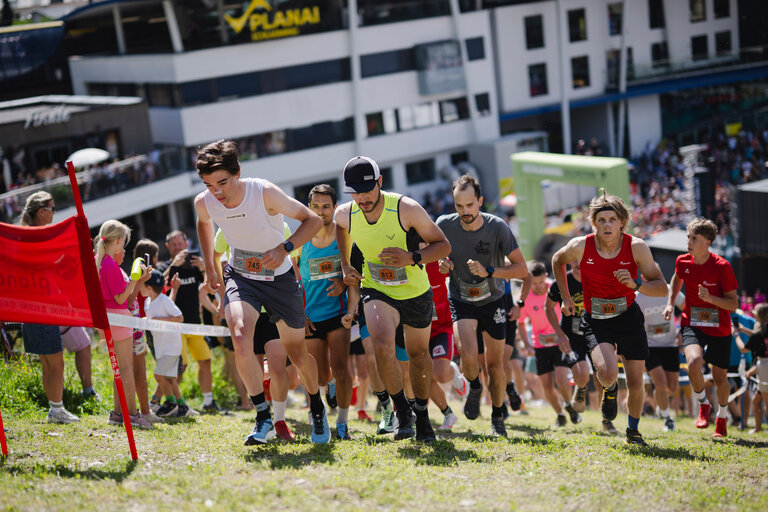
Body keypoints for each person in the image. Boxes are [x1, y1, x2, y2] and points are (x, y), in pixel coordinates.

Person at [194, 140, 328, 444]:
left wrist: (285, 248)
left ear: (238, 172)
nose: (217, 192)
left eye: (223, 182)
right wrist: (210, 268)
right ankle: (262, 416)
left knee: (297, 352)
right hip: (241, 277)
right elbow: (203, 224)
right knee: (240, 335)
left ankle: (316, 406)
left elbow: (313, 220)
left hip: (280, 280)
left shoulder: (263, 191)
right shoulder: (204, 201)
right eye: (208, 184)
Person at [336, 156, 451, 442]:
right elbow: (339, 227)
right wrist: (345, 264)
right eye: (355, 192)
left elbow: (443, 245)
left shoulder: (406, 209)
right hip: (377, 290)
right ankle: (403, 414)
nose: (362, 198)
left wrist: (411, 257)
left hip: (414, 292)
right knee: (382, 345)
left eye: (367, 190)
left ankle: (422, 415)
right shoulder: (346, 214)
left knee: (418, 356)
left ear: (380, 183)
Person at [552, 190, 668, 446]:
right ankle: (611, 389)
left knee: (637, 381)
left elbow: (662, 288)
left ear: (622, 222)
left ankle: (633, 432)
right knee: (606, 373)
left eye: (612, 219)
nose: (607, 225)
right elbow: (557, 260)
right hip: (595, 319)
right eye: (601, 220)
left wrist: (637, 283)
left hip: (628, 317)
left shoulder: (636, 247)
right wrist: (566, 298)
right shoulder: (581, 245)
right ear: (594, 223)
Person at [436, 175, 528, 437]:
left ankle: (498, 417)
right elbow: (435, 255)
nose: (465, 212)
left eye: (469, 205)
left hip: (493, 300)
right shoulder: (444, 225)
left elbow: (522, 269)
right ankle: (474, 387)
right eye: (459, 206)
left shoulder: (497, 227)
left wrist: (490, 271)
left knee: (496, 366)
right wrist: (443, 265)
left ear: (480, 201)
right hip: (462, 299)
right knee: (467, 356)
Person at [663, 218, 738, 438]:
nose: (689, 241)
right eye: (688, 237)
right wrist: (670, 303)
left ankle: (722, 418)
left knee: (720, 378)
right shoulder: (682, 261)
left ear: (707, 242)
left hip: (719, 327)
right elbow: (677, 278)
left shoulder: (722, 267)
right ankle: (703, 405)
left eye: (694, 238)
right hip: (692, 321)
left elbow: (733, 304)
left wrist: (711, 298)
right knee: (694, 362)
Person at [297, 184, 355, 440]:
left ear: (334, 207)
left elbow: (355, 273)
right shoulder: (299, 239)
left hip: (338, 312)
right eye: (316, 206)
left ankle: (342, 422)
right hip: (310, 315)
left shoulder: (344, 235)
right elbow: (293, 281)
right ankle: (328, 385)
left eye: (326, 206)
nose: (321, 212)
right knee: (321, 373)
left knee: (341, 367)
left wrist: (343, 282)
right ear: (309, 208)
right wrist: (301, 314)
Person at [19, 192, 80, 424]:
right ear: (42, 211)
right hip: (42, 306)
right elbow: (40, 268)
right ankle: (56, 410)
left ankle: (55, 408)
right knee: (55, 363)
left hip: (31, 307)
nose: (55, 213)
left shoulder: (25, 236)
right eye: (52, 209)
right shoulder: (36, 237)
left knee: (48, 364)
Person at [95, 219, 153, 430]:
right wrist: (134, 280)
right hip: (118, 318)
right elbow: (120, 298)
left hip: (111, 318)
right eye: (124, 241)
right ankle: (133, 414)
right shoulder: (109, 264)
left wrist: (136, 280)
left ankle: (118, 413)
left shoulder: (101, 261)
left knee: (119, 369)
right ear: (118, 240)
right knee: (126, 369)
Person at [156, 230, 220, 414]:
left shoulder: (194, 265)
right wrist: (173, 266)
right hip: (174, 326)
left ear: (186, 244)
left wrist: (204, 269)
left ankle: (208, 401)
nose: (178, 248)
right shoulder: (164, 266)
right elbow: (157, 286)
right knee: (180, 367)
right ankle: (159, 401)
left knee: (205, 361)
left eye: (180, 244)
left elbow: (209, 288)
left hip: (195, 323)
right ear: (168, 247)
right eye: (174, 245)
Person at [519, 261, 580, 427]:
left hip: (561, 341)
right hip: (540, 345)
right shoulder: (525, 297)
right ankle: (560, 414)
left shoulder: (556, 289)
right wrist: (526, 343)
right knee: (546, 386)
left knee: (561, 378)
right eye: (533, 283)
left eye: (540, 282)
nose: (537, 286)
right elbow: (521, 322)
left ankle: (569, 405)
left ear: (546, 277)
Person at [545, 259, 594, 425]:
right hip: (569, 336)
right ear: (569, 261)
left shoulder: (596, 279)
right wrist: (559, 334)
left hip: (594, 333)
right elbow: (548, 308)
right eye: (574, 260)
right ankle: (574, 398)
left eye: (582, 259)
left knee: (603, 378)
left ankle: (606, 420)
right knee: (568, 375)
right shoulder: (561, 282)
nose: (579, 263)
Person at [635, 282, 685, 432]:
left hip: (670, 344)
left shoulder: (670, 289)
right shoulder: (638, 297)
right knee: (661, 383)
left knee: (672, 387)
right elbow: (633, 322)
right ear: (643, 276)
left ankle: (660, 402)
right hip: (650, 346)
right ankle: (667, 418)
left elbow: (687, 308)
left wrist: (683, 330)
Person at [142, 270, 192, 418]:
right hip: (161, 346)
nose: (139, 288)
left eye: (142, 286)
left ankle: (170, 403)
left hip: (171, 346)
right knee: (170, 377)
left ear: (149, 288)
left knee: (159, 375)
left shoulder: (164, 300)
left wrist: (155, 320)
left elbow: (179, 317)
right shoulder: (148, 302)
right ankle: (183, 406)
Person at [734, 303, 767, 433]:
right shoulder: (761, 332)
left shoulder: (759, 334)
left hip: (764, 367)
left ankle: (759, 427)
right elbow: (757, 336)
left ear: (759, 316)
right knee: (756, 400)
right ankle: (758, 428)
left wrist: (736, 335)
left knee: (765, 403)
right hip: (762, 366)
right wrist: (743, 329)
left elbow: (743, 349)